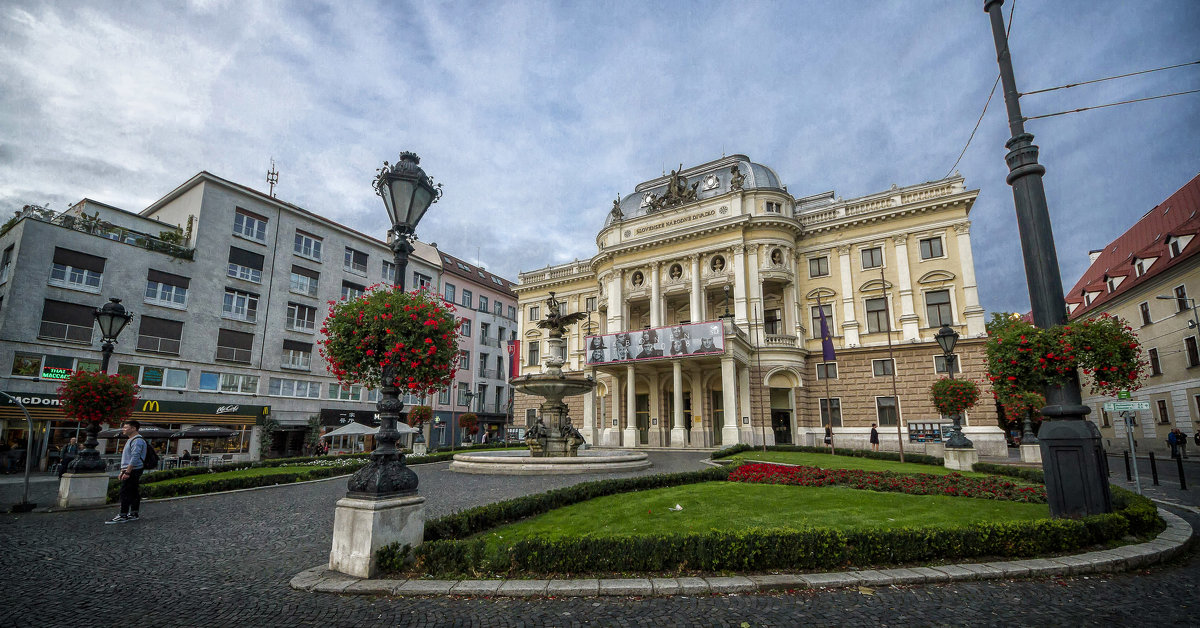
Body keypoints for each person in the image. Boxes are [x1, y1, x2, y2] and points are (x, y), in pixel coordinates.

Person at [106, 420, 147, 524]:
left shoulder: (137, 440)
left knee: (125, 492)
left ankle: (123, 514)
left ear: (133, 428)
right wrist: (122, 470)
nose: (123, 429)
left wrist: (127, 472)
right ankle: (133, 513)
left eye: (125, 427)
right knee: (133, 491)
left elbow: (135, 457)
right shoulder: (131, 440)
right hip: (130, 469)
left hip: (134, 469)